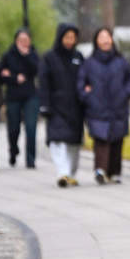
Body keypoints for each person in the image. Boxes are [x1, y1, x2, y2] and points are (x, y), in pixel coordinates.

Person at [79, 28, 130, 185]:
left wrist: (126, 93)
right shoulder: (89, 63)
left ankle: (114, 172)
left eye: (107, 37)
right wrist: (87, 95)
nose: (105, 40)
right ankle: (100, 170)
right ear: (96, 41)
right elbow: (81, 83)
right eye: (101, 37)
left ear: (111, 40)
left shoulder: (121, 61)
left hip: (118, 105)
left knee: (117, 139)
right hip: (97, 107)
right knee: (101, 139)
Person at [39, 22, 85, 187]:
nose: (70, 40)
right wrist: (44, 105)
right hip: (56, 106)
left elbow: (86, 79)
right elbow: (43, 83)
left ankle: (70, 173)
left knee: (74, 142)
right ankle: (62, 172)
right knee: (57, 140)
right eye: (67, 37)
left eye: (72, 37)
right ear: (60, 38)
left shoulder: (78, 57)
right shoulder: (49, 58)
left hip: (76, 106)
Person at [0, 28, 40, 168]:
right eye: (20, 40)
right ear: (16, 41)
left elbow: (38, 70)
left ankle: (30, 159)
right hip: (13, 96)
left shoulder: (33, 54)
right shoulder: (8, 55)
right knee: (13, 127)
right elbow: (0, 76)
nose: (23, 43)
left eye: (26, 40)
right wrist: (14, 78)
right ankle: (13, 150)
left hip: (31, 96)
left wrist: (26, 56)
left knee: (31, 127)